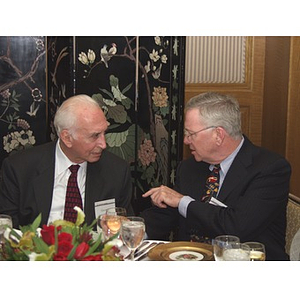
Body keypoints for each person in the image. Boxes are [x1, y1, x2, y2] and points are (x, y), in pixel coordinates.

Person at [141, 92, 291, 261]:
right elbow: (170, 213)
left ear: (218, 135)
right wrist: (134, 230)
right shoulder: (191, 167)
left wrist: (183, 201)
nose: (185, 140)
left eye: (191, 134)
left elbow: (237, 227)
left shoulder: (270, 169)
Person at [0, 94, 133, 228]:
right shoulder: (20, 168)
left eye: (104, 133)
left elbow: (125, 226)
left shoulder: (116, 171)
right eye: (95, 136)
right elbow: (8, 229)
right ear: (67, 138)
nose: (103, 144)